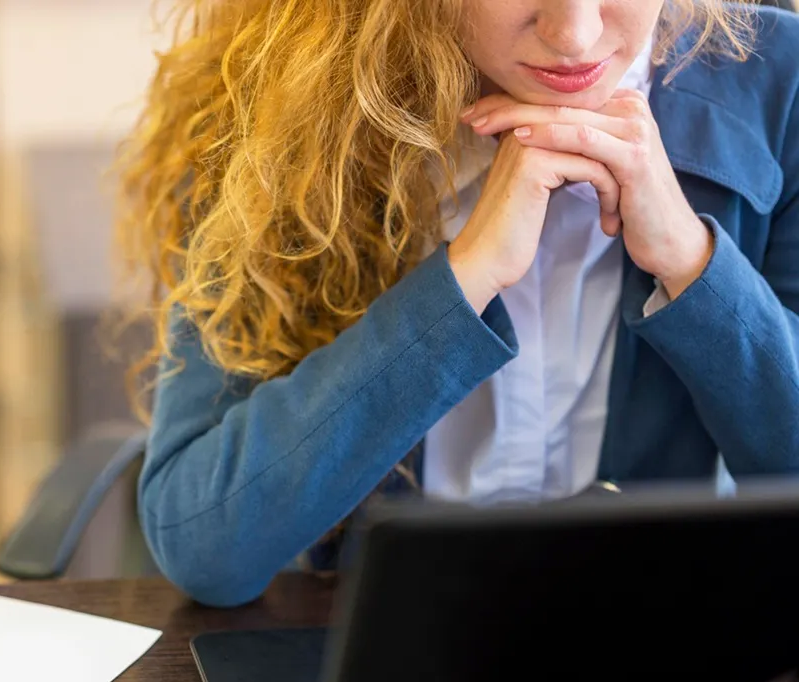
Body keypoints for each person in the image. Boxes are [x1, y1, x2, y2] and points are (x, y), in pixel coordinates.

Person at [109, 0, 799, 607]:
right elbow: (203, 546)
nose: (575, 34)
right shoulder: (278, 94)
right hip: (374, 647)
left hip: (671, 647)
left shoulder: (780, 85)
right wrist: (466, 277)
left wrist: (689, 260)